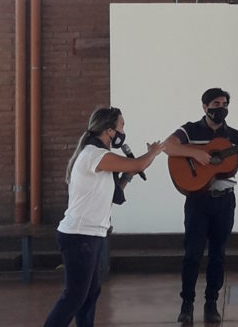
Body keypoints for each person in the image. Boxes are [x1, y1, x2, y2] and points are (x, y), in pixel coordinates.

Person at [163, 87, 238, 324]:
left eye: (224, 104)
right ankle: (186, 305)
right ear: (205, 107)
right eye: (215, 104)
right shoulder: (190, 129)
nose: (220, 108)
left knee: (218, 255)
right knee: (192, 254)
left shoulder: (233, 136)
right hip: (197, 201)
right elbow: (168, 147)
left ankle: (211, 303)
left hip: (224, 201)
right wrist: (196, 155)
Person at [44, 107, 164, 327]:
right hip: (79, 235)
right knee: (75, 296)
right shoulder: (94, 155)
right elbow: (138, 163)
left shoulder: (101, 157)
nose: (123, 131)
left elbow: (115, 195)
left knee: (89, 295)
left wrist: (129, 175)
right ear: (109, 131)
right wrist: (153, 152)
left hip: (92, 234)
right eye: (121, 126)